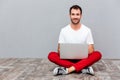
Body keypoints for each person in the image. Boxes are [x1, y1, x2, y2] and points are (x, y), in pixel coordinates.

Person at [48, 5, 102, 76]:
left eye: (77, 14)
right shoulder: (63, 30)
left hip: (83, 59)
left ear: (81, 15)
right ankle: (82, 68)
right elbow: (59, 50)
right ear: (69, 15)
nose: (75, 17)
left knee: (97, 54)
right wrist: (64, 51)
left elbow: (92, 49)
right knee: (51, 55)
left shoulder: (87, 30)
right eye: (73, 14)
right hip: (68, 59)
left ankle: (68, 69)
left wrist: (80, 51)